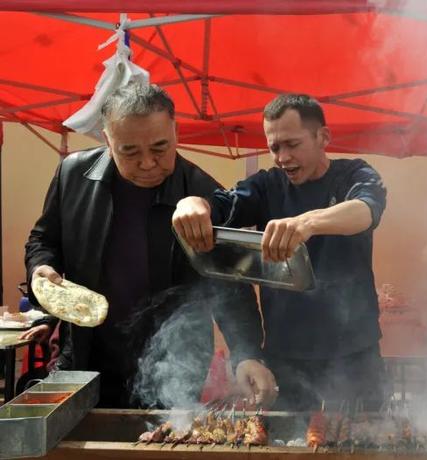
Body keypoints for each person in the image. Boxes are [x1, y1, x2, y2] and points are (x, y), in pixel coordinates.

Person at [24, 82, 275, 408]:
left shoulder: (204, 193)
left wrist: (246, 354)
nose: (147, 163)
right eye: (129, 151)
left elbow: (232, 288)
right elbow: (43, 239)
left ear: (176, 131)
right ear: (107, 138)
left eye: (160, 148)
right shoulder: (73, 175)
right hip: (85, 353)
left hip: (176, 363)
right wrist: (40, 268)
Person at [172, 93, 388, 410]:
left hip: (355, 353)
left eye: (292, 144)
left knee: (363, 444)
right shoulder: (266, 186)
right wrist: (191, 203)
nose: (282, 157)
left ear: (323, 137)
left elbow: (365, 211)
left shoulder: (355, 175)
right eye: (274, 147)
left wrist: (307, 223)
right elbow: (219, 206)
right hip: (286, 357)